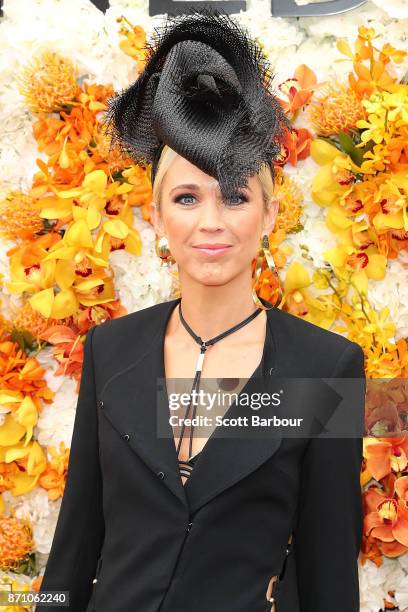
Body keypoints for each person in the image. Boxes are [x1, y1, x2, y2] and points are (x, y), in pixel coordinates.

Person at [37, 8, 366, 612]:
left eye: (236, 196)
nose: (211, 222)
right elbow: (74, 548)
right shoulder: (110, 351)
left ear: (269, 215)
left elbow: (328, 571)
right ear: (158, 217)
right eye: (187, 197)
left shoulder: (323, 367)